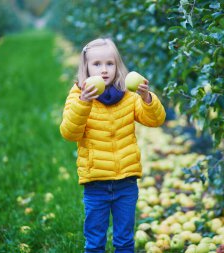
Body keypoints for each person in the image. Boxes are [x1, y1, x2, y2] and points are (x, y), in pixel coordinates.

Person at [59, 38, 166, 253]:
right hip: (96, 182)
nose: (104, 69)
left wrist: (146, 98)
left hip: (126, 182)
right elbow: (70, 133)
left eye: (110, 63)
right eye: (97, 64)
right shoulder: (78, 95)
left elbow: (155, 120)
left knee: (125, 240)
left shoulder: (128, 95)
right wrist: (84, 102)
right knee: (95, 241)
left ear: (117, 66)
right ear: (86, 67)